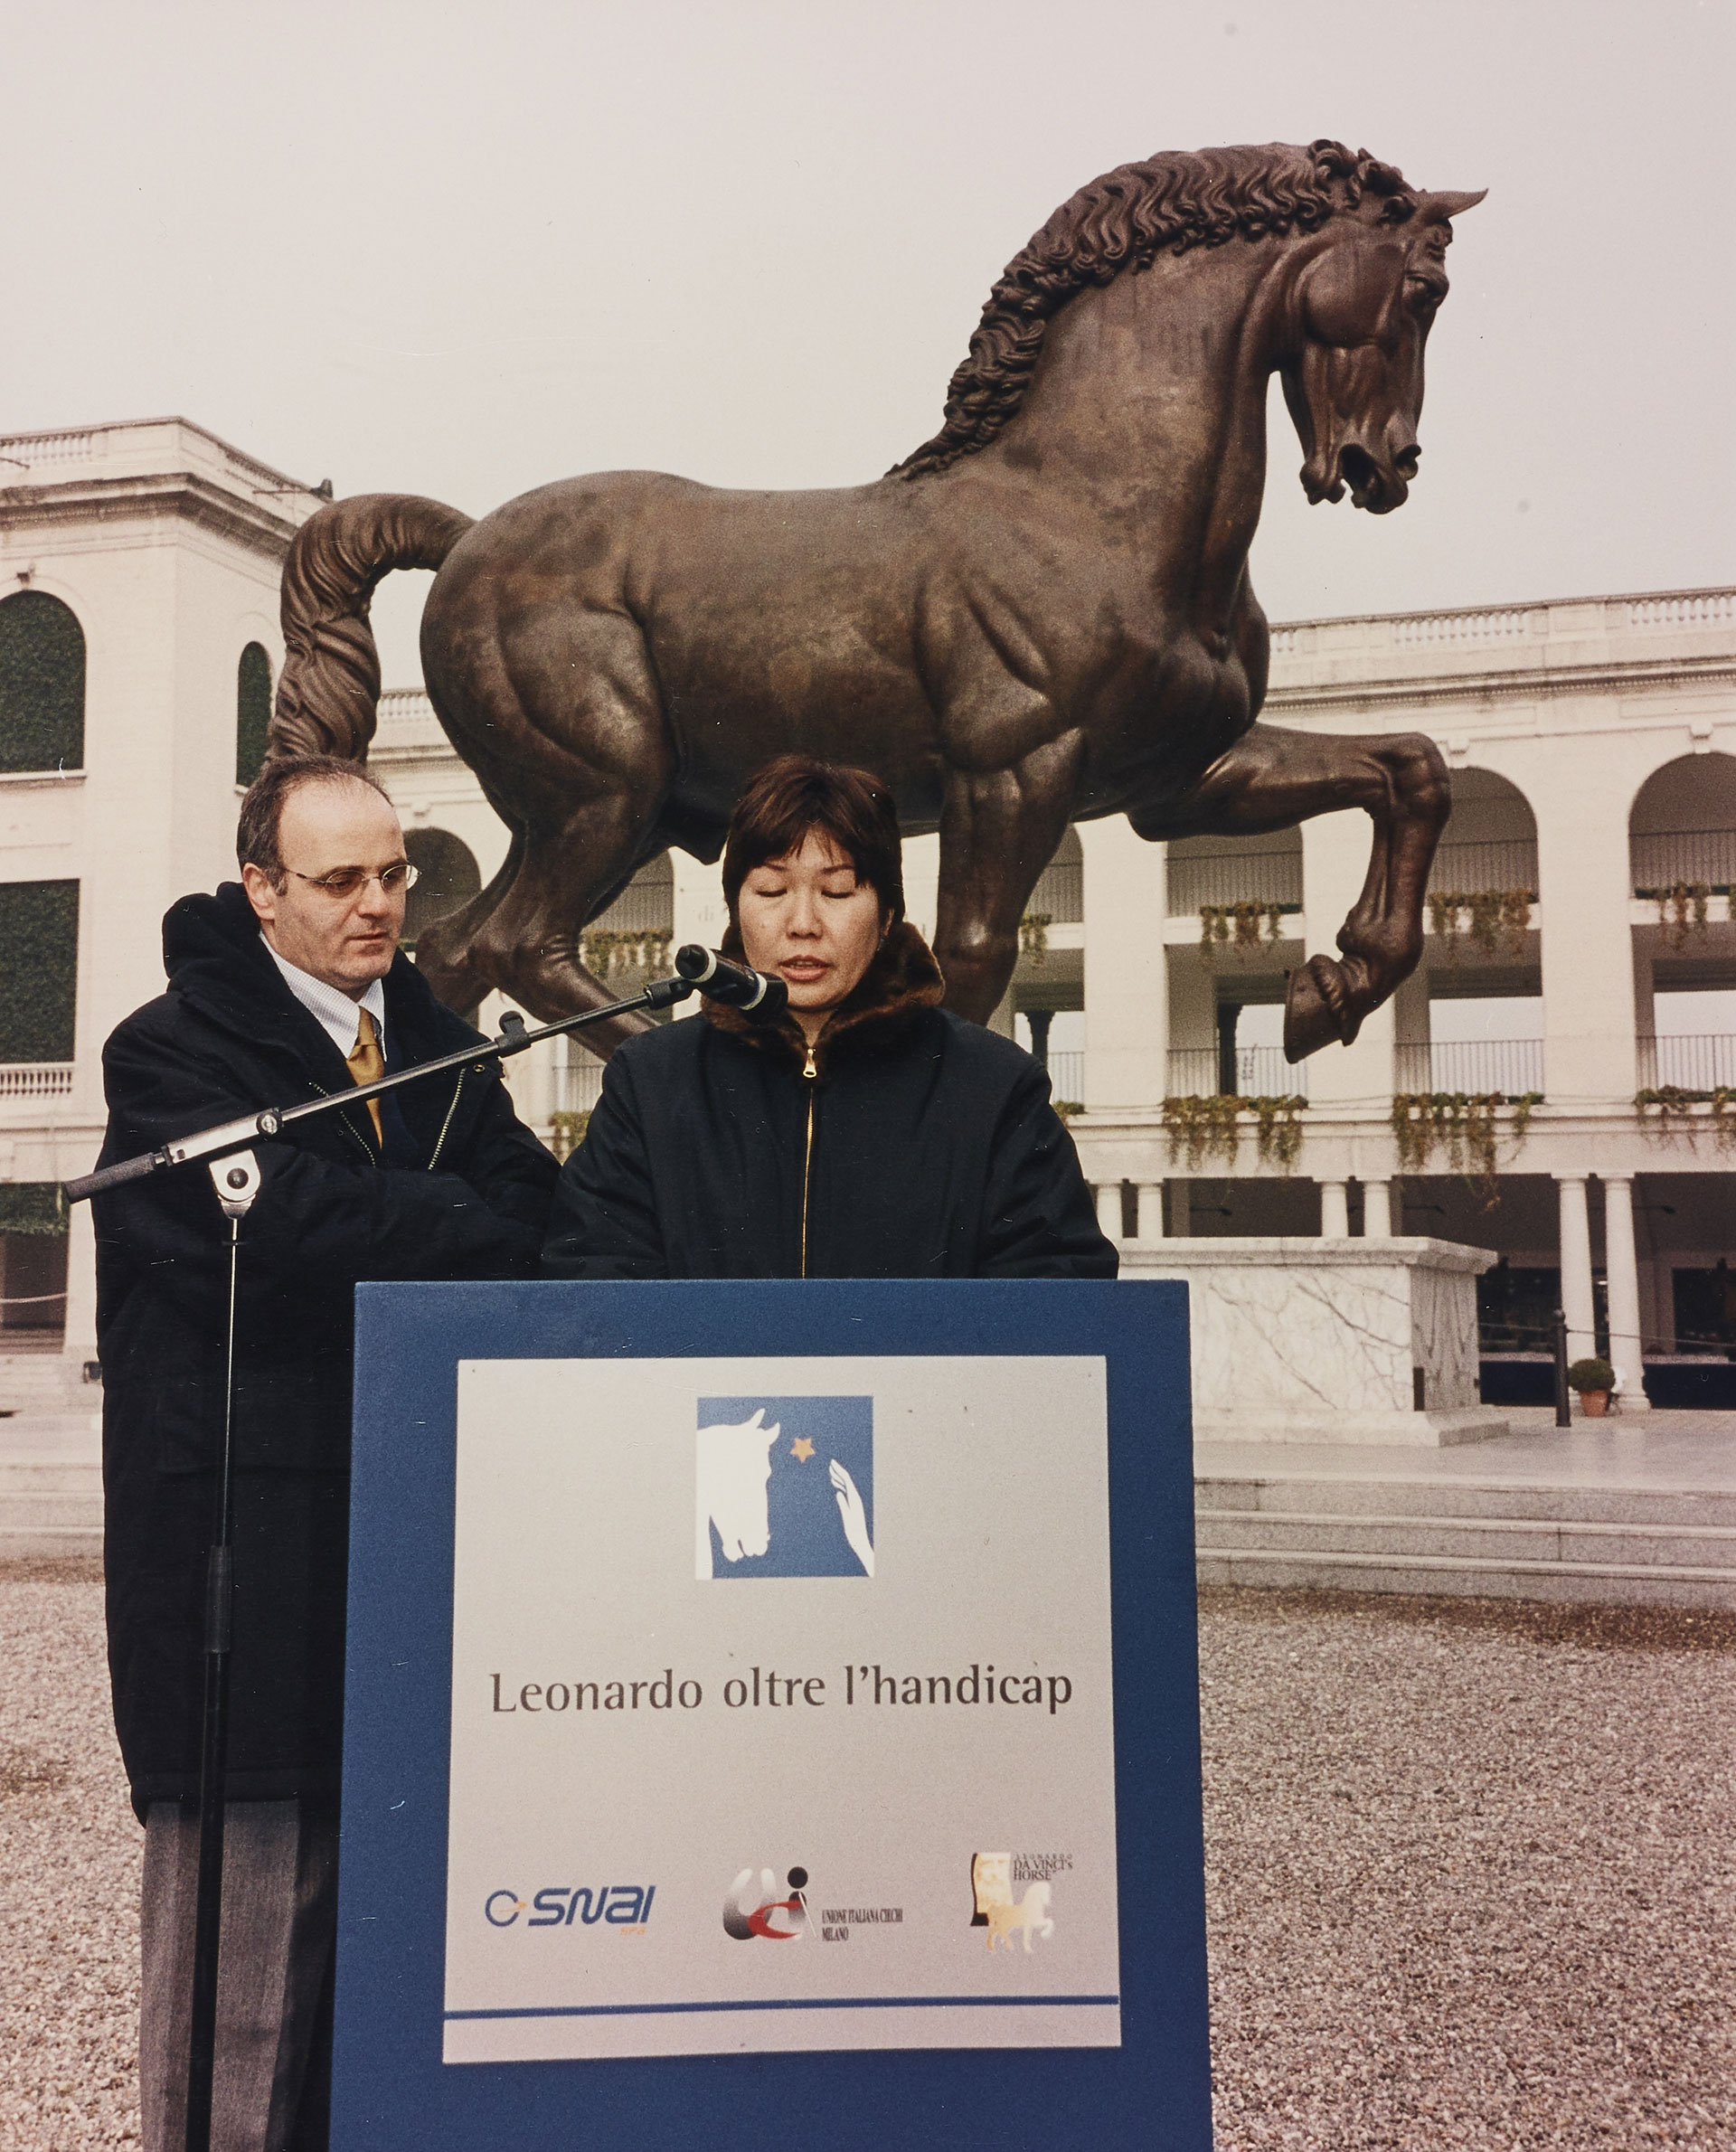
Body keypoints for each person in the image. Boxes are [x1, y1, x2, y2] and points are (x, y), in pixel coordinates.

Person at [93, 754, 558, 2152]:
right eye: (341, 880)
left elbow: (537, 1213)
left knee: (392, 1972)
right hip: (244, 1572)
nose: (378, 908)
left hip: (413, 1557)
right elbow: (278, 1240)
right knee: (238, 2002)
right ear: (261, 892)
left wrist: (383, 1217)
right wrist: (436, 1216)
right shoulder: (165, 1049)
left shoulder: (442, 1050)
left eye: (396, 875)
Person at [542, 753, 1114, 1279]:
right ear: (737, 908)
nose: (803, 923)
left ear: (887, 914)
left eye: (838, 892)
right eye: (770, 890)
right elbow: (593, 1278)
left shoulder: (994, 1085)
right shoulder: (650, 1082)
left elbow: (1059, 1287)